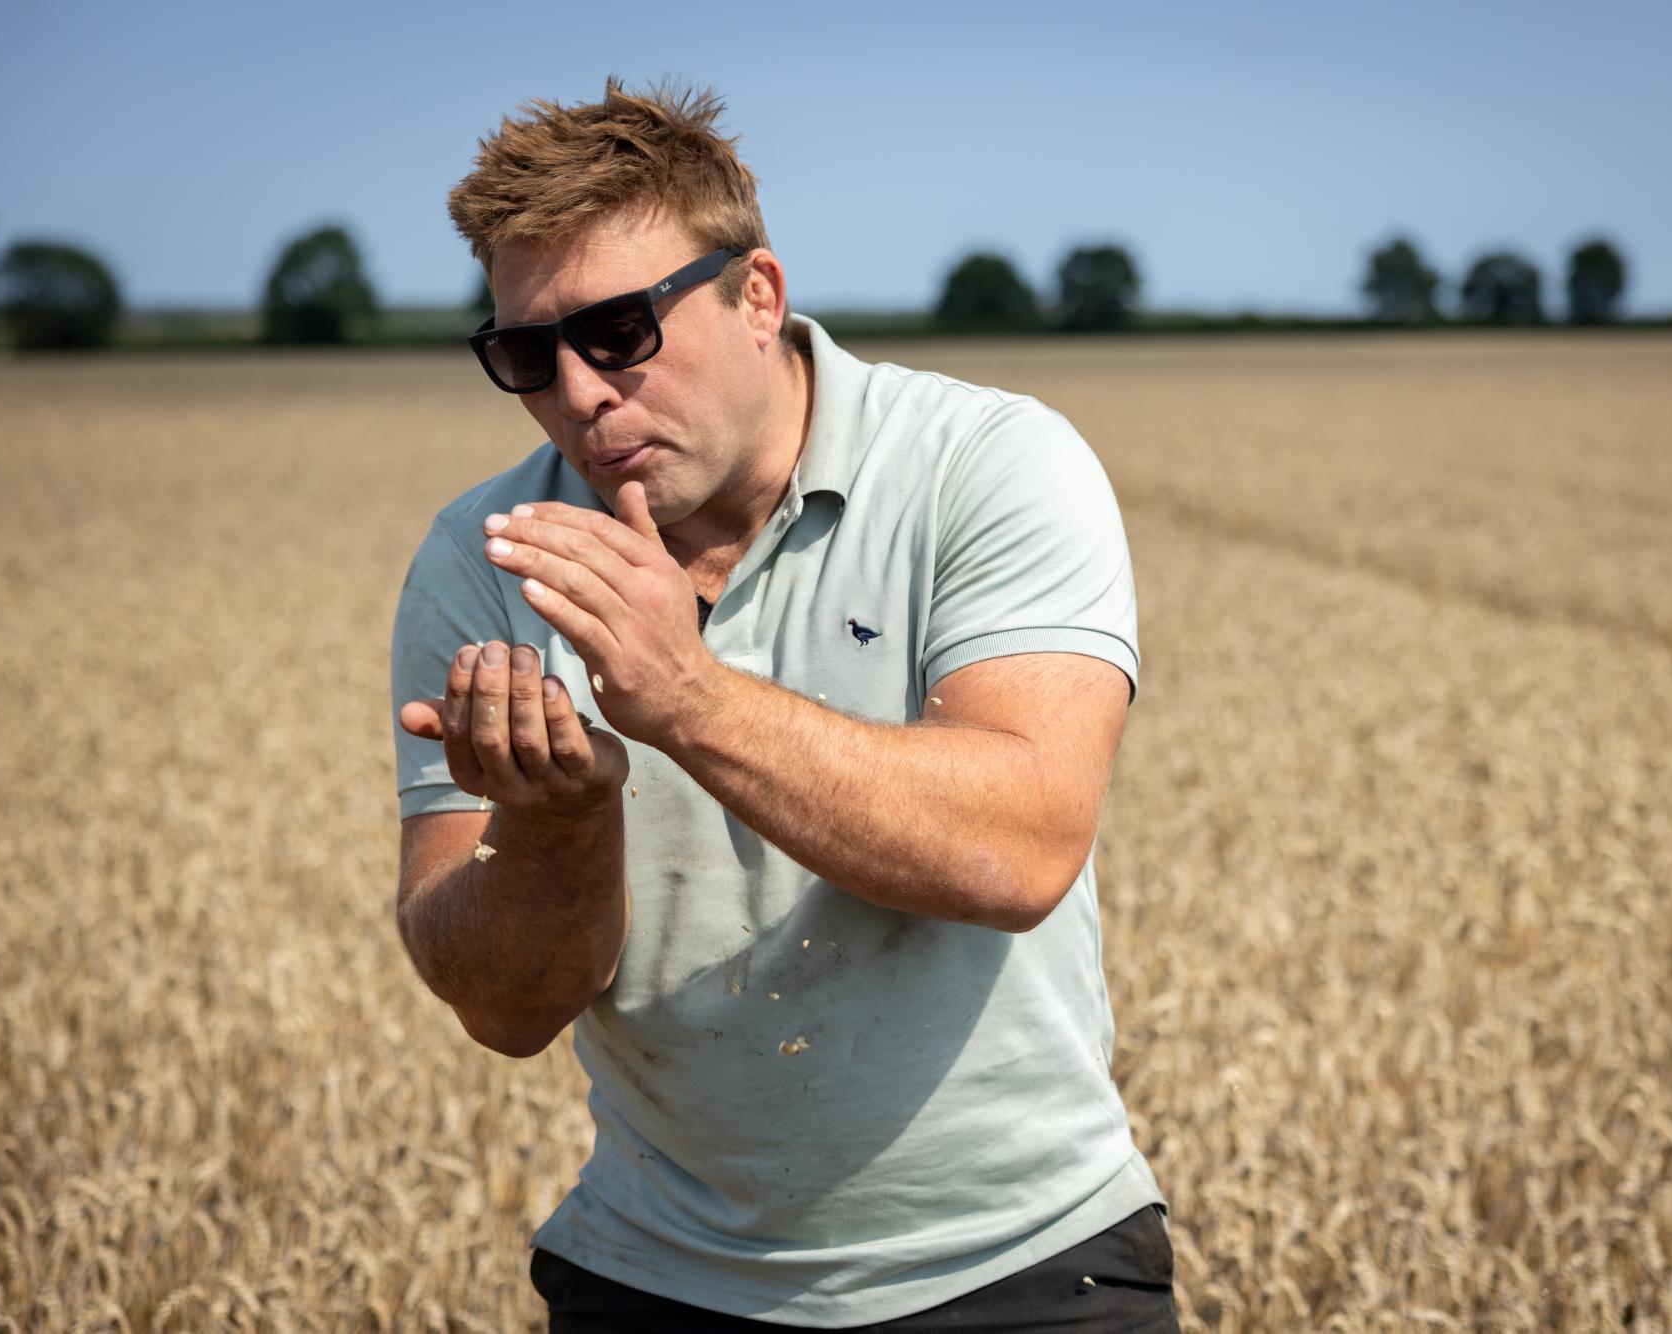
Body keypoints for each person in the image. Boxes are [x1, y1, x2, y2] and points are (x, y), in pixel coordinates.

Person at [390, 79, 1174, 1331]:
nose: (579, 392)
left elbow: (1021, 843)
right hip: (656, 1277)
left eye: (618, 331)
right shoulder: (488, 555)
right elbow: (504, 1007)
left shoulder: (984, 463)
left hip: (1021, 1264)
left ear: (756, 295)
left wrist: (686, 697)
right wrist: (554, 823)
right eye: (527, 355)